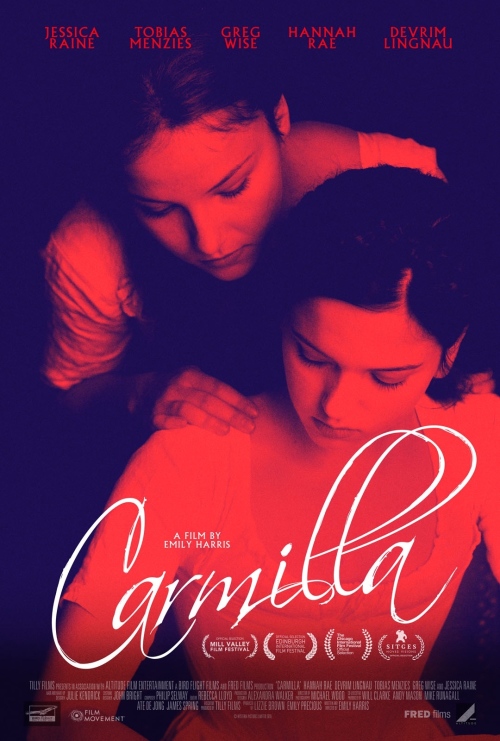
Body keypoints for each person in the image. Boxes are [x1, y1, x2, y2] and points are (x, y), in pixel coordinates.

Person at [33, 169, 499, 740]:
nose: (336, 406)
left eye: (387, 377)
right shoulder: (192, 460)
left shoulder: (479, 437)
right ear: (283, 320)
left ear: (449, 353)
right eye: (312, 356)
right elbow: (58, 713)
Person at [42, 40, 444, 437]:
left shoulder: (401, 185)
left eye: (233, 188)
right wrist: (140, 394)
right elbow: (69, 397)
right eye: (159, 209)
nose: (209, 242)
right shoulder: (90, 250)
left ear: (279, 117)